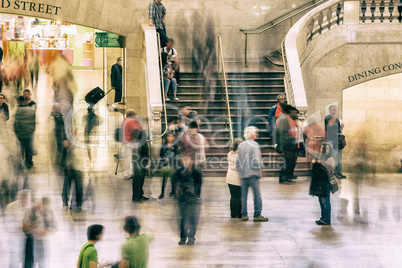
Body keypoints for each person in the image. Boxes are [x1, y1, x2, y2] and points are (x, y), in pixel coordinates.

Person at [236, 126, 268, 222]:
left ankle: (244, 214)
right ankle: (257, 215)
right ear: (251, 134)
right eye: (255, 133)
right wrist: (260, 168)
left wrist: (239, 170)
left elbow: (237, 160)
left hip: (243, 174)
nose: (257, 134)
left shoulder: (241, 145)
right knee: (256, 195)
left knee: (243, 195)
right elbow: (256, 159)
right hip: (253, 173)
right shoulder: (255, 144)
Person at [173, 154, 202, 245]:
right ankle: (183, 237)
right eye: (184, 160)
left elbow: (198, 185)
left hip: (192, 199)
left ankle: (191, 237)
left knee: (192, 218)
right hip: (182, 198)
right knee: (182, 218)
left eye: (188, 160)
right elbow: (174, 181)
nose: (186, 162)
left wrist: (196, 195)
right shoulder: (179, 171)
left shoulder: (196, 172)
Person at [23, 197, 58, 268]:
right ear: (39, 204)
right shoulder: (31, 211)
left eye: (47, 208)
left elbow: (55, 226)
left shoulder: (50, 212)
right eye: (44, 207)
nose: (46, 210)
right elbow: (25, 228)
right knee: (30, 263)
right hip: (31, 241)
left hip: (43, 242)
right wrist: (36, 230)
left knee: (43, 262)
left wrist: (48, 231)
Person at [4, 190, 31, 268]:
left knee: (26, 260)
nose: (26, 203)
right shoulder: (11, 207)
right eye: (24, 200)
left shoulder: (31, 207)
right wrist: (21, 225)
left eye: (28, 200)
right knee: (14, 259)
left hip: (27, 238)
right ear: (20, 199)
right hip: (14, 237)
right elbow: (8, 225)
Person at [310, 143, 335, 225]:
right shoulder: (319, 157)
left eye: (326, 149)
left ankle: (326, 219)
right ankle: (323, 218)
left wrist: (319, 162)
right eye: (321, 148)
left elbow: (328, 169)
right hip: (319, 181)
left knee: (325, 201)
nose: (323, 150)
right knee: (321, 201)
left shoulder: (330, 159)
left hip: (325, 182)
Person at [276, 105, 300, 184]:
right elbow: (283, 133)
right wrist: (283, 146)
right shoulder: (284, 118)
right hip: (287, 144)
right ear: (290, 112)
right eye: (294, 113)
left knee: (291, 162)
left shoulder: (290, 119)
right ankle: (283, 178)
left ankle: (289, 176)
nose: (296, 114)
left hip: (292, 143)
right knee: (286, 162)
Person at [14, 95, 36, 168]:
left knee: (21, 149)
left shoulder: (17, 111)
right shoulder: (30, 110)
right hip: (28, 134)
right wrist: (31, 130)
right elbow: (33, 122)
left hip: (20, 135)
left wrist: (16, 132)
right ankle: (29, 163)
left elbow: (15, 124)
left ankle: (21, 163)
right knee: (28, 149)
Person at [325, 105, 346, 179]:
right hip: (331, 141)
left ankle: (339, 173)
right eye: (333, 110)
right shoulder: (328, 117)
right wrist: (336, 117)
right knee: (334, 158)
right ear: (330, 110)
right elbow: (330, 125)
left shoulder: (336, 119)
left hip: (337, 141)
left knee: (339, 158)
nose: (335, 111)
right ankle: (333, 173)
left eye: (336, 110)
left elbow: (337, 130)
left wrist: (341, 127)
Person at [121, 109, 142, 179]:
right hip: (132, 141)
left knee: (128, 157)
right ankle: (131, 172)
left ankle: (128, 172)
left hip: (126, 141)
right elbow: (137, 129)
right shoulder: (133, 121)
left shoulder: (125, 121)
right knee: (132, 158)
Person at [47, 103, 68, 170]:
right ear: (53, 109)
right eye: (56, 109)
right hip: (53, 137)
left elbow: (66, 128)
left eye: (59, 109)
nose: (58, 111)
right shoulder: (50, 118)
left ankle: (62, 164)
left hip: (61, 136)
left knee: (64, 151)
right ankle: (55, 164)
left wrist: (66, 138)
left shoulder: (63, 117)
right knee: (54, 151)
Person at [226, 138, 243, 219]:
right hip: (238, 178)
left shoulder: (229, 154)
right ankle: (240, 213)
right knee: (240, 196)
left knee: (233, 196)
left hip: (230, 178)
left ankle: (233, 213)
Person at [158, 132, 179, 199]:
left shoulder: (175, 145)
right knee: (164, 179)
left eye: (171, 136)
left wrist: (171, 158)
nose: (169, 138)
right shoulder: (164, 145)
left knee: (173, 179)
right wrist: (164, 158)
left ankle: (173, 191)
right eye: (168, 136)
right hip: (165, 164)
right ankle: (162, 193)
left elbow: (177, 155)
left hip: (173, 164)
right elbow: (161, 155)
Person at [132, 130, 150, 203]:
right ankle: (136, 197)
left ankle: (139, 195)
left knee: (139, 181)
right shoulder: (140, 143)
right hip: (139, 164)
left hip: (140, 163)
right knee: (138, 181)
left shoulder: (138, 142)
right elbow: (143, 153)